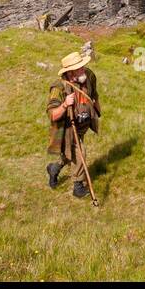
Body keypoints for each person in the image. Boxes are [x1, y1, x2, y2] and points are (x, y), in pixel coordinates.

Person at [45, 46, 100, 198]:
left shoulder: (89, 76)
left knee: (70, 152)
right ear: (69, 72)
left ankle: (54, 168)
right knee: (80, 152)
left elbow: (94, 94)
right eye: (78, 68)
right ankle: (78, 186)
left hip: (83, 125)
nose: (83, 69)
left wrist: (96, 109)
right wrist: (65, 105)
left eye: (82, 66)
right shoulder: (58, 88)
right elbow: (52, 115)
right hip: (67, 127)